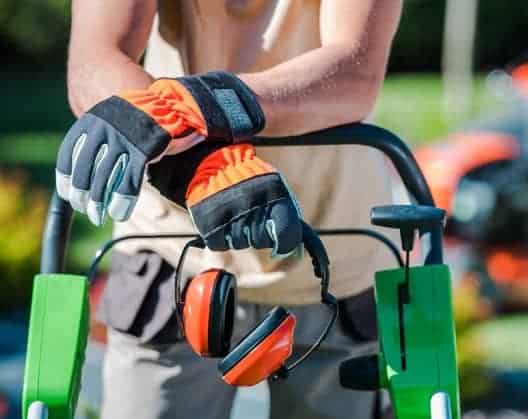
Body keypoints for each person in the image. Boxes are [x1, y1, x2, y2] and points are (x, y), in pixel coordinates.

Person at [58, 1, 402, 418]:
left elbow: (353, 72)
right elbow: (96, 58)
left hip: (332, 255)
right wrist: (199, 166)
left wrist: (207, 105)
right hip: (173, 252)